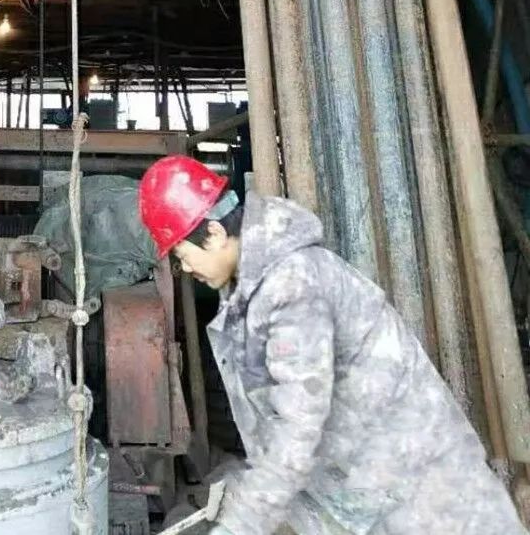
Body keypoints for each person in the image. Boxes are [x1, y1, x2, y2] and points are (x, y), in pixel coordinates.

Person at [138, 155, 526, 535]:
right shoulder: (251, 289)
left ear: (216, 234)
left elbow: (297, 424)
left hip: (422, 490)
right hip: (370, 487)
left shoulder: (292, 285)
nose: (185, 268)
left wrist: (240, 524)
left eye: (183, 255)